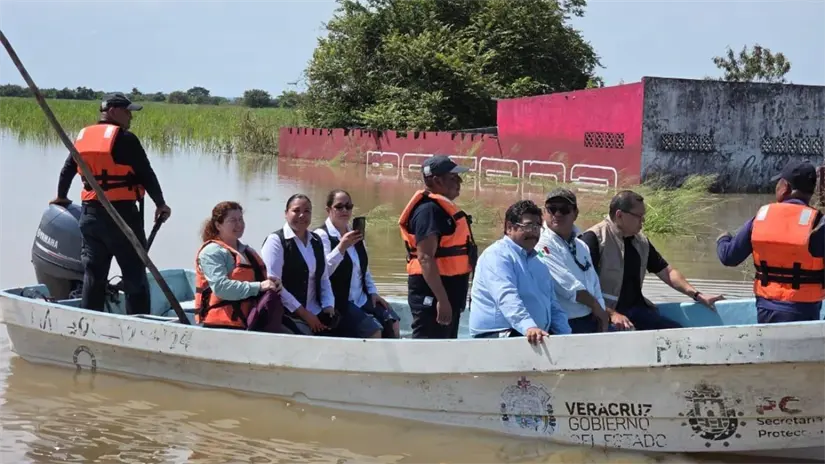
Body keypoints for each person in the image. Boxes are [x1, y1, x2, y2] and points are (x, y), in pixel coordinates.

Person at [49, 92, 171, 315]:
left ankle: (90, 320)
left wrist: (61, 196)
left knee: (94, 276)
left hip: (91, 216)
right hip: (122, 216)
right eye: (127, 112)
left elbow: (68, 169)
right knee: (135, 275)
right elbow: (146, 173)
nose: (130, 118)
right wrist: (160, 203)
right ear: (113, 111)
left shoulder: (84, 136)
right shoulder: (125, 139)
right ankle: (139, 324)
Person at [580, 190, 724, 331]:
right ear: (619, 215)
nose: (643, 221)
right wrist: (612, 314)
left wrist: (697, 295)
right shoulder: (593, 239)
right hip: (605, 315)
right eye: (639, 216)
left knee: (676, 332)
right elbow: (582, 289)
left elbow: (667, 272)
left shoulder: (641, 241)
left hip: (637, 311)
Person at [717, 161, 825, 324]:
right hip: (805, 311)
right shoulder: (818, 223)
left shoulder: (761, 218)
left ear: (785, 187)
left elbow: (729, 257)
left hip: (766, 309)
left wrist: (722, 239)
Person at [469, 200, 572, 345]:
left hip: (533, 336)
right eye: (528, 226)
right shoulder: (497, 256)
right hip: (498, 336)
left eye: (537, 226)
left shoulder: (539, 263)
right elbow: (507, 297)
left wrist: (567, 337)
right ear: (510, 227)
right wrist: (528, 326)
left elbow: (553, 306)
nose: (534, 232)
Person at [398, 155, 478, 339]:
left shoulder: (442, 209)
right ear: (436, 180)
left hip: (448, 292)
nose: (459, 181)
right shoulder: (428, 211)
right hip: (433, 296)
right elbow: (425, 258)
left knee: (445, 349)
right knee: (428, 350)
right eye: (453, 177)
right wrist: (442, 300)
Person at [315, 189, 400, 338]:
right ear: (328, 209)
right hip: (339, 301)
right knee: (374, 332)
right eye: (339, 206)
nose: (345, 210)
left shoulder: (355, 234)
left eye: (348, 206)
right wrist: (341, 248)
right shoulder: (322, 236)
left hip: (361, 298)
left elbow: (364, 269)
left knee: (393, 322)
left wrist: (373, 292)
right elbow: (323, 273)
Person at [194, 201, 286, 332]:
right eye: (233, 220)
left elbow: (253, 280)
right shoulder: (212, 252)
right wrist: (260, 286)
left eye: (241, 219)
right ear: (218, 225)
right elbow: (221, 288)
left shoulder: (247, 252)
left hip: (251, 320)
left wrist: (271, 282)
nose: (239, 224)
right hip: (221, 326)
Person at [261, 194, 337, 335]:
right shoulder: (276, 241)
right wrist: (305, 315)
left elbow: (323, 277)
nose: (302, 215)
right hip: (287, 312)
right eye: (296, 210)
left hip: (316, 310)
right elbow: (275, 286)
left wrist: (328, 305)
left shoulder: (316, 240)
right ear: (286, 213)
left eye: (307, 211)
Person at [536, 188, 609, 334]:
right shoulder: (541, 244)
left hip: (589, 318)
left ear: (575, 213)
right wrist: (596, 307)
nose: (557, 214)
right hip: (563, 323)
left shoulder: (581, 245)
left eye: (564, 210)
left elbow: (594, 283)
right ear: (544, 213)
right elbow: (567, 286)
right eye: (552, 209)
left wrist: (602, 315)